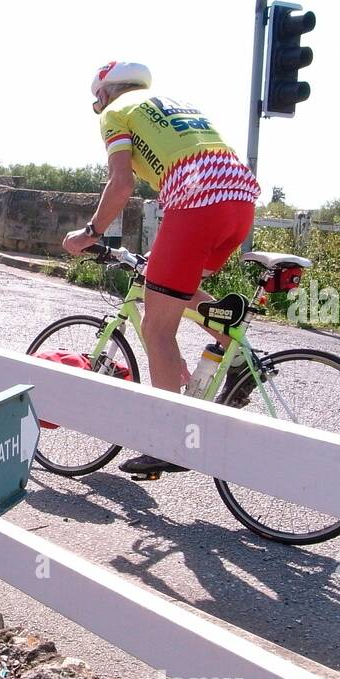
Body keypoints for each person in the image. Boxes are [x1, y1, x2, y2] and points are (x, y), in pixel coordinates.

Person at [62, 61, 260, 476]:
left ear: (103, 94)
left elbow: (121, 185)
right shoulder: (169, 104)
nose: (97, 108)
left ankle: (171, 444)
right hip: (240, 201)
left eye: (95, 101)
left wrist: (90, 233)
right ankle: (237, 356)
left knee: (156, 327)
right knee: (173, 289)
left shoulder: (118, 112)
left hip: (197, 202)